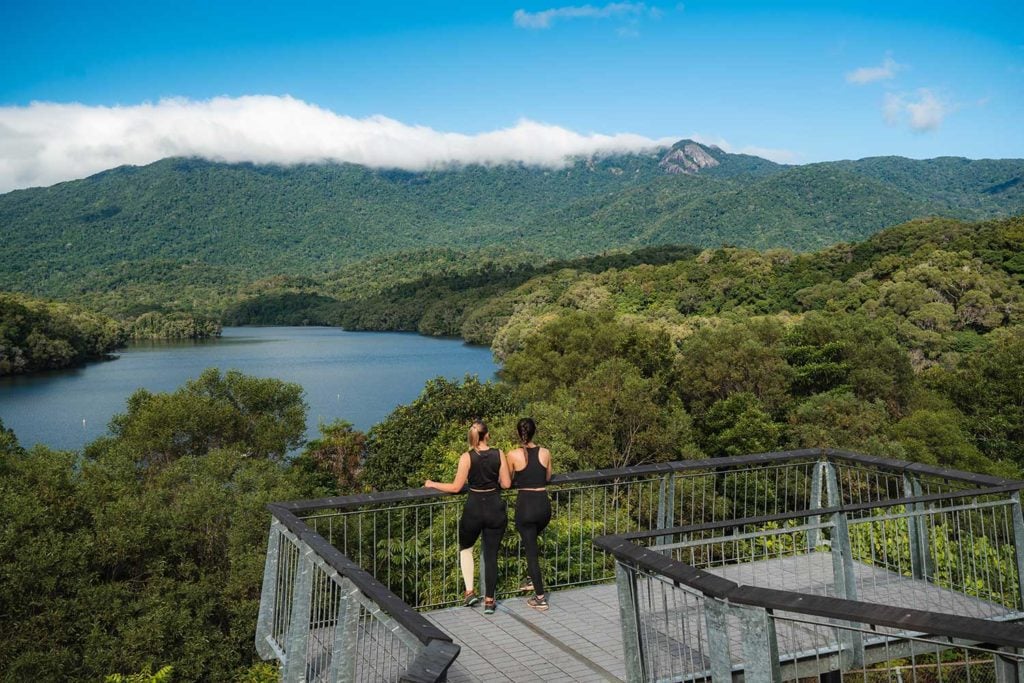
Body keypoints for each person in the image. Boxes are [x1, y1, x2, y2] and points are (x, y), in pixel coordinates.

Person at [425, 420, 511, 615]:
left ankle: (470, 591)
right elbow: (506, 484)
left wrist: (433, 483)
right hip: (495, 507)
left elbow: (456, 487)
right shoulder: (499, 454)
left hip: (473, 507)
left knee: (466, 548)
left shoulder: (467, 457)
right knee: (491, 555)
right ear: (487, 435)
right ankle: (489, 600)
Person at [507, 417, 553, 611]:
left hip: (525, 506)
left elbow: (508, 481)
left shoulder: (512, 454)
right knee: (532, 545)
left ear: (519, 433)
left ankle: (540, 597)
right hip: (543, 506)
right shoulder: (545, 452)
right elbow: (548, 477)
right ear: (535, 432)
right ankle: (530, 578)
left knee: (531, 551)